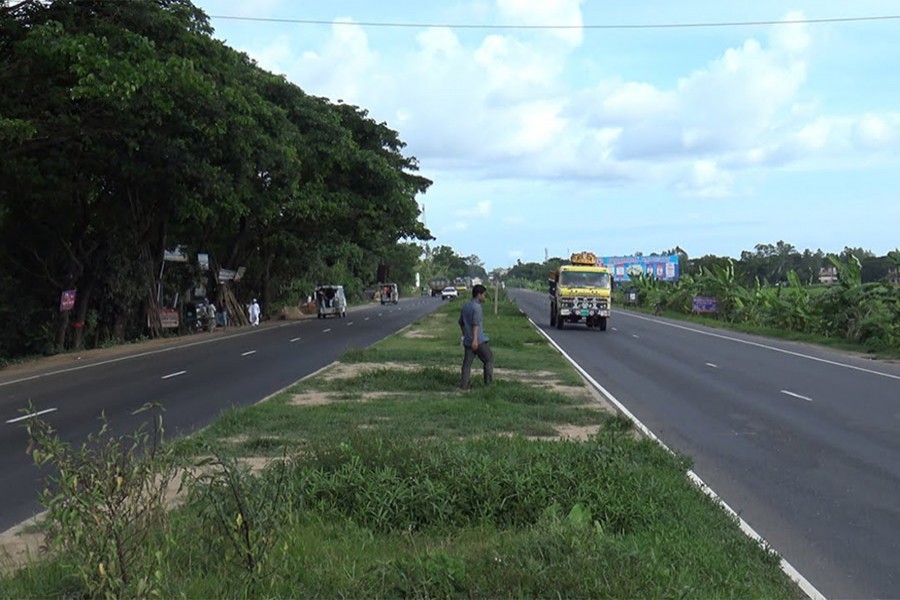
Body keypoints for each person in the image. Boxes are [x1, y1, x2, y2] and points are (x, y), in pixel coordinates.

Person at [458, 284, 493, 390]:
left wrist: (465, 334)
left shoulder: (465, 306)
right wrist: (475, 339)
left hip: (468, 340)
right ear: (479, 295)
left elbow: (461, 322)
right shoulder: (477, 307)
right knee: (489, 359)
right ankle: (488, 384)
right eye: (484, 295)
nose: (484, 297)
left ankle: (464, 385)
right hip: (478, 340)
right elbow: (475, 324)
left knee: (467, 364)